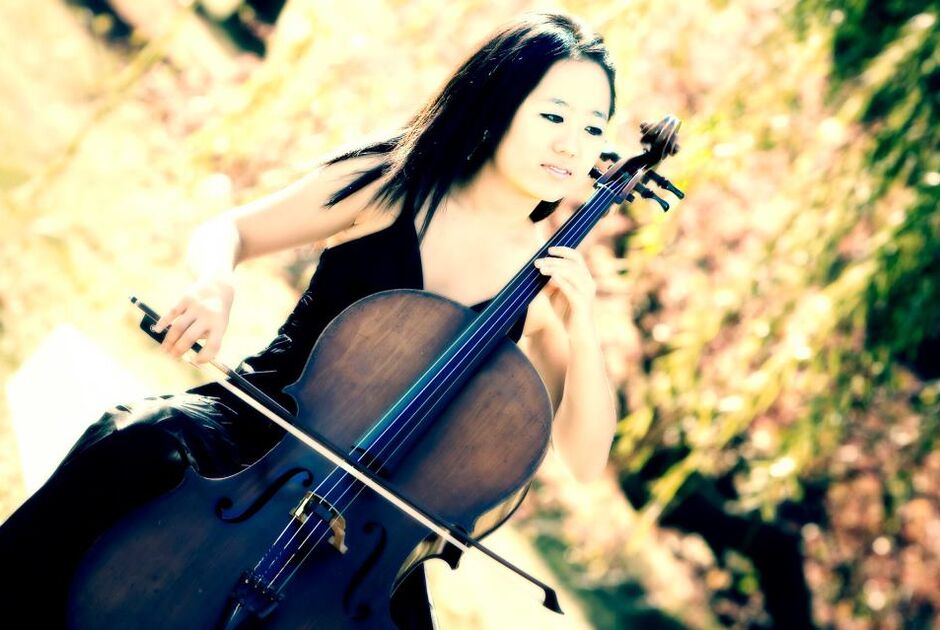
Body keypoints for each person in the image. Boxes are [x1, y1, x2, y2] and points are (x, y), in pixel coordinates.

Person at [0, 10, 619, 628]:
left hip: (371, 532)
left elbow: (585, 458)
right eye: (554, 116)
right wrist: (216, 284)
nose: (572, 144)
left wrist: (582, 329)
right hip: (255, 438)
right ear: (497, 103)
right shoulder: (390, 185)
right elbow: (232, 231)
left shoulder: (546, 283)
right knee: (136, 445)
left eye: (594, 128)